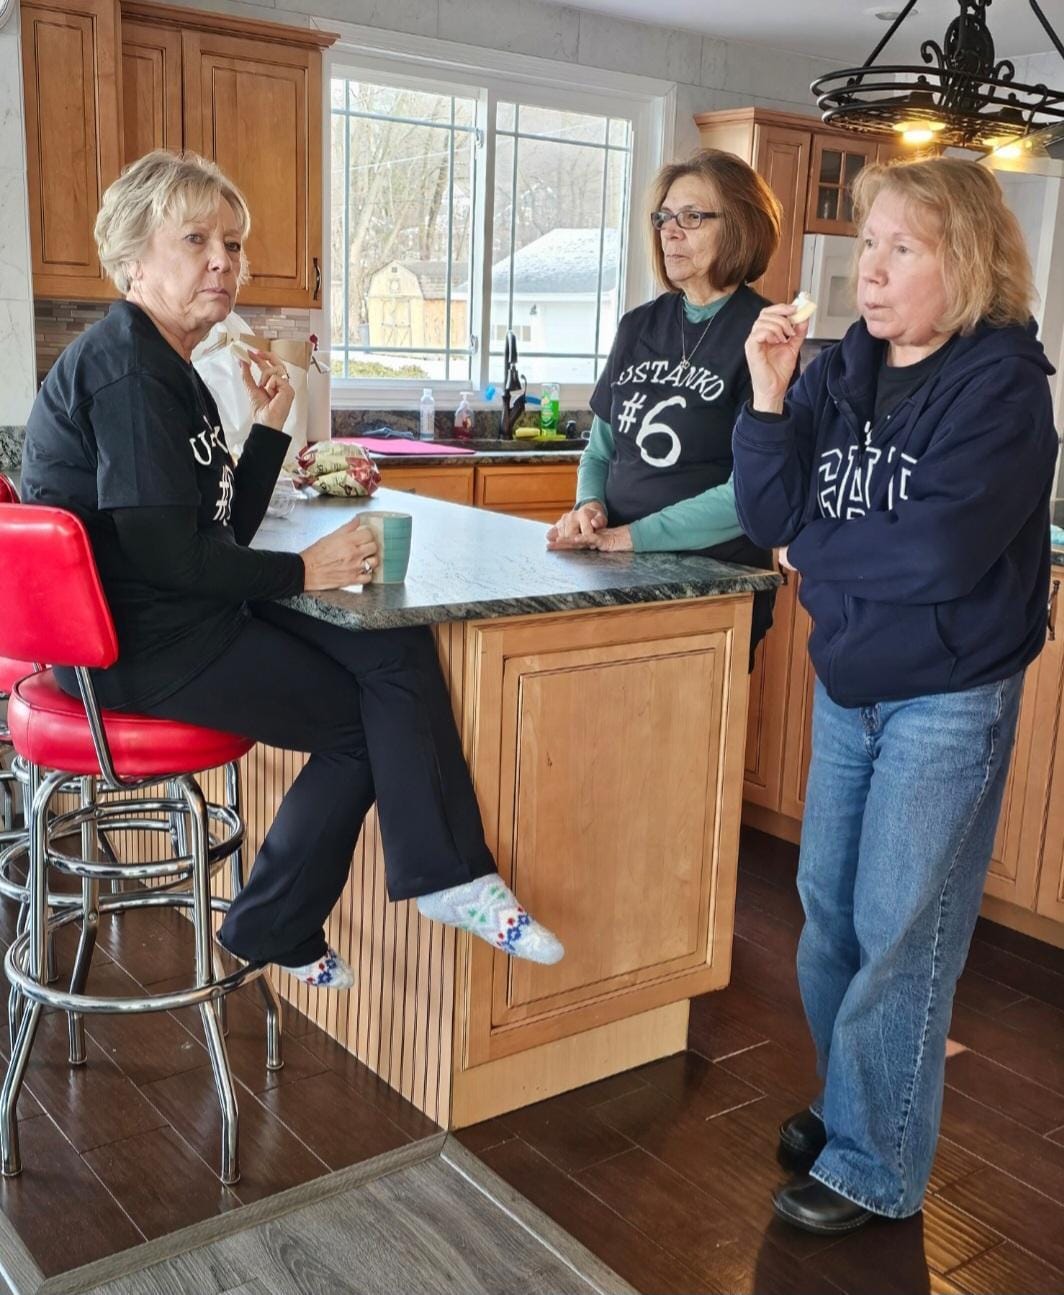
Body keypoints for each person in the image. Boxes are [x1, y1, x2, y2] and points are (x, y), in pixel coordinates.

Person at [20, 150, 563, 989]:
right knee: (360, 721)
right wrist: (305, 570)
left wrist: (269, 425)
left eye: (232, 244)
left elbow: (217, 531)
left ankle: (449, 877)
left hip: (169, 615)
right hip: (140, 652)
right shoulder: (129, 370)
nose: (223, 261)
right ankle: (277, 916)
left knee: (392, 644)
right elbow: (172, 555)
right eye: (196, 239)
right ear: (132, 261)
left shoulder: (170, 367)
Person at [733, 157, 1058, 1234]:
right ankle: (847, 1109)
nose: (867, 271)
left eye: (898, 248)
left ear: (961, 260)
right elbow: (765, 503)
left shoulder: (1003, 389)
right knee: (826, 915)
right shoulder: (841, 367)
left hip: (945, 699)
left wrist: (808, 551)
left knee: (898, 931)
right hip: (850, 683)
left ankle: (876, 1164)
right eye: (866, 243)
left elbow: (936, 551)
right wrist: (770, 394)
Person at [547, 148, 784, 663]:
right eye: (664, 217)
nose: (671, 231)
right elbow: (601, 450)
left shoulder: (767, 337)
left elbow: (751, 493)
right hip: (619, 562)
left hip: (713, 578)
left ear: (741, 227)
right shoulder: (638, 326)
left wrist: (632, 537)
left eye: (692, 217)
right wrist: (590, 507)